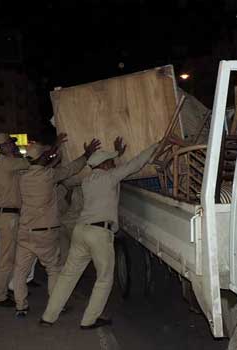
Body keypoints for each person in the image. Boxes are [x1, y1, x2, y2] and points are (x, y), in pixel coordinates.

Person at [41, 137, 158, 329]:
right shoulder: (109, 177)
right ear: (104, 165)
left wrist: (115, 155)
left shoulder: (88, 181)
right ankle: (89, 320)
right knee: (104, 278)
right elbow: (135, 164)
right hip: (98, 233)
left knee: (68, 275)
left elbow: (113, 170)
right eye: (110, 161)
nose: (113, 163)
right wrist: (156, 144)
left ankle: (48, 316)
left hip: (81, 230)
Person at [12, 136, 101, 318]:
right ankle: (56, 305)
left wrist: (52, 150)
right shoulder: (49, 176)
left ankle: (21, 307)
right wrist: (87, 153)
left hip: (25, 233)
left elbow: (44, 162)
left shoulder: (22, 177)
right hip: (45, 234)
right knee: (53, 269)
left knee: (20, 271)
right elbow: (71, 169)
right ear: (43, 158)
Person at [0, 133, 32, 307]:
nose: (12, 146)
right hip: (8, 216)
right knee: (6, 258)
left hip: (8, 215)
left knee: (8, 256)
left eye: (12, 143)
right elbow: (30, 162)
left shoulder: (9, 163)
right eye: (8, 144)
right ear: (1, 148)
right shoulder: (7, 163)